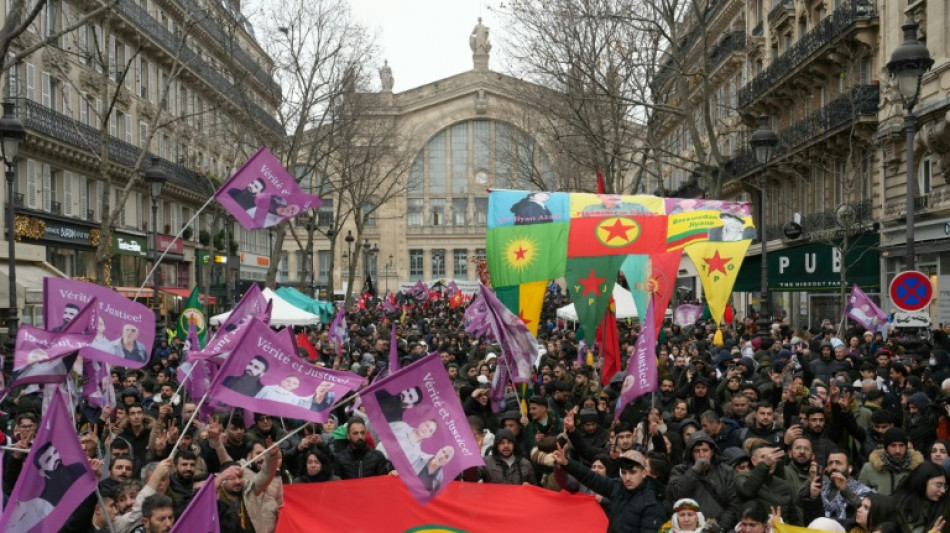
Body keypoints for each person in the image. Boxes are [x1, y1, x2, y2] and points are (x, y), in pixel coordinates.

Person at [554, 445, 666, 533]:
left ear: (644, 473)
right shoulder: (618, 486)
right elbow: (591, 477)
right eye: (624, 472)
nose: (627, 478)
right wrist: (566, 463)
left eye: (633, 472)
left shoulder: (652, 504)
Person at [5, 442, 91, 533]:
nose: (55, 459)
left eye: (54, 453)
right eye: (48, 459)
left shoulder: (78, 469)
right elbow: (10, 490)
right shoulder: (40, 504)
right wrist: (16, 458)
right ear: (42, 472)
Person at [666, 431, 739, 531]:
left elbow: (733, 504)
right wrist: (695, 470)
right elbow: (677, 495)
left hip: (718, 527)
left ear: (712, 452)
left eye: (705, 450)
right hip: (688, 528)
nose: (702, 455)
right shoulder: (679, 470)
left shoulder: (727, 471)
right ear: (691, 454)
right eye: (697, 451)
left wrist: (721, 526)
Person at [858, 428, 924, 495]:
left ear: (906, 447)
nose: (897, 450)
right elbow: (860, 496)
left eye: (901, 445)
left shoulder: (918, 468)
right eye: (893, 445)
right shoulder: (869, 468)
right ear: (886, 447)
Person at [891, 462, 948, 533]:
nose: (943, 490)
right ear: (923, 482)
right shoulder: (895, 507)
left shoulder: (944, 508)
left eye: (944, 486)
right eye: (938, 485)